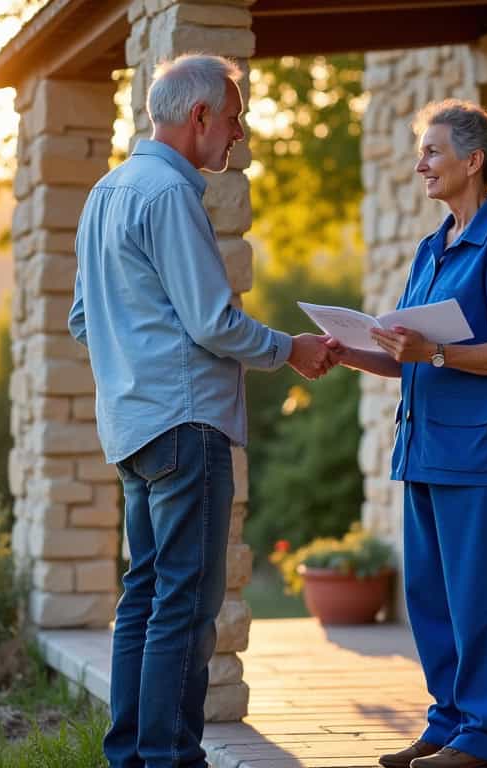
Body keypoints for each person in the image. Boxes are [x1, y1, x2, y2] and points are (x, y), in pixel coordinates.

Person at [67, 54, 336, 768]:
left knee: (146, 596)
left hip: (131, 428)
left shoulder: (106, 192)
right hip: (186, 426)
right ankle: (167, 759)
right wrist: (292, 349)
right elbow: (215, 321)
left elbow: (82, 318)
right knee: (185, 604)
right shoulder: (169, 194)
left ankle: (133, 755)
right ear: (200, 117)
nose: (238, 136)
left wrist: (133, 363)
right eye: (235, 118)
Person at [328, 100, 487, 768]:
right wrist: (347, 349)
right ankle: (448, 722)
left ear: (472, 161)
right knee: (430, 597)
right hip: (422, 445)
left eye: (432, 152)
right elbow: (406, 355)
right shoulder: (432, 247)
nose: (420, 163)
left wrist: (437, 355)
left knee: (479, 597)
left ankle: (484, 737)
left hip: (477, 451)